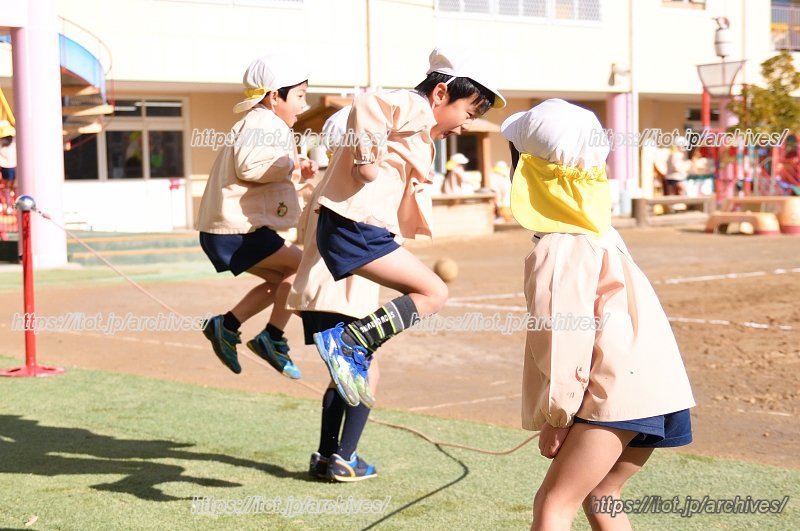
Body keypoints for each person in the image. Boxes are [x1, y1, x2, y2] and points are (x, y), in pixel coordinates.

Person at [501, 99, 695, 531]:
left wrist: (558, 417)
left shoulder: (560, 244)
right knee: (602, 495)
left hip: (615, 394)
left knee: (554, 501)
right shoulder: (600, 232)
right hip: (656, 390)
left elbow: (563, 337)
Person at [311, 47, 505, 408]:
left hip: (357, 228)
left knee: (430, 292)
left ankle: (353, 344)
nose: (465, 125)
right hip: (353, 226)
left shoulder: (419, 127)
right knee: (433, 292)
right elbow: (367, 104)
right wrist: (366, 159)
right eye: (467, 113)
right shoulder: (414, 106)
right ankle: (351, 342)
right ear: (441, 93)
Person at [196, 55, 318, 379]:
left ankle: (227, 325)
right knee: (302, 267)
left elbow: (260, 170)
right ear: (274, 95)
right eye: (300, 96)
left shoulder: (263, 122)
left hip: (231, 228)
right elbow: (251, 166)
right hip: (236, 230)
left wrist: (295, 169)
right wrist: (291, 165)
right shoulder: (265, 123)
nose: (304, 106)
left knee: (283, 281)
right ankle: (272, 338)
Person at [288, 106, 381, 482]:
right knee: (366, 372)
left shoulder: (320, 186)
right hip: (343, 293)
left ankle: (326, 455)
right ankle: (346, 456)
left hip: (314, 294)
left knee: (340, 375)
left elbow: (298, 236)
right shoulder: (357, 186)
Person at [0, 120, 17, 215]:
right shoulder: (14, 140)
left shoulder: (6, 141)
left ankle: (10, 205)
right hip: (12, 165)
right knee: (10, 187)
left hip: (7, 166)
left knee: (7, 187)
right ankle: (10, 205)